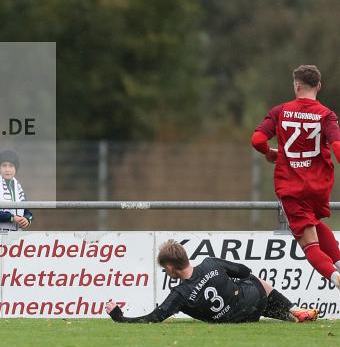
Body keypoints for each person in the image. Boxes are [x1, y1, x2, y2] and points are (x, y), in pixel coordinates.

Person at [251, 65, 340, 291]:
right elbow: (338, 149)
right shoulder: (327, 115)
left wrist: (269, 153)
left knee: (308, 244)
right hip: (319, 187)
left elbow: (257, 140)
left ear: (296, 85)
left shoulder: (280, 111)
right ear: (318, 86)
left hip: (291, 187)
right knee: (314, 224)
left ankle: (335, 277)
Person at [106, 240, 318, 324]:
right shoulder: (210, 263)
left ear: (170, 267)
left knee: (245, 292)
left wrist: (119, 317)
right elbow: (244, 271)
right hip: (251, 304)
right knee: (254, 281)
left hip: (232, 320)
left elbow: (154, 318)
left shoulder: (179, 293)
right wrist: (223, 279)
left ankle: (292, 315)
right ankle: (292, 310)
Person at [0, 149, 32, 230]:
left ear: (16, 169)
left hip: (17, 237)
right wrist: (11, 218)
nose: (7, 169)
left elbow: (28, 212)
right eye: (4, 165)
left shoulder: (18, 188)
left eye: (11, 166)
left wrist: (27, 219)